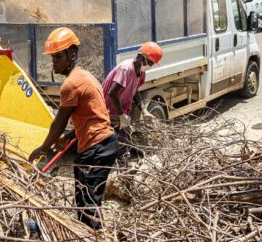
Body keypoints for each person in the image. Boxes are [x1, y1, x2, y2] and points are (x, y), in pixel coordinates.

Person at [28, 27, 118, 230]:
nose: (54, 62)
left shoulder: (71, 84)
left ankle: (92, 235)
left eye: (58, 57)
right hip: (101, 143)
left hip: (97, 146)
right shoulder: (85, 76)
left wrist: (43, 148)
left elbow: (58, 122)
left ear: (72, 54)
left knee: (88, 203)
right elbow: (92, 115)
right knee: (85, 199)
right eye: (53, 58)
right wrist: (71, 134)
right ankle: (87, 232)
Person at [102, 41, 163, 160]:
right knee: (122, 144)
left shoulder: (141, 73)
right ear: (142, 58)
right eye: (150, 62)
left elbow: (135, 91)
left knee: (123, 144)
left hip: (120, 111)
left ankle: (120, 168)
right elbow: (112, 93)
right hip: (108, 109)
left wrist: (144, 111)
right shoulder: (126, 69)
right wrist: (121, 115)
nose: (150, 66)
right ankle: (120, 171)